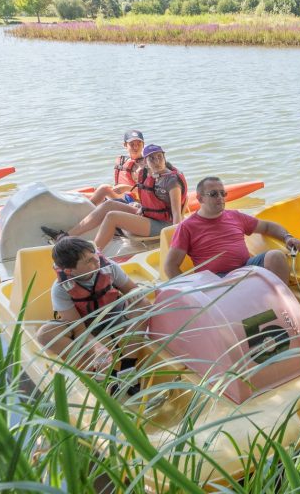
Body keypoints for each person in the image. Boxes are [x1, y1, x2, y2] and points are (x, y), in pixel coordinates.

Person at [36, 237, 149, 396]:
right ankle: (101, 375)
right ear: (69, 270)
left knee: (143, 304)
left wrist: (135, 294)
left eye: (94, 254)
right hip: (85, 325)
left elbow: (131, 289)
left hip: (113, 316)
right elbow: (80, 329)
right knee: (45, 334)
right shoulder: (60, 289)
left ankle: (128, 365)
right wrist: (96, 347)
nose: (97, 260)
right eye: (89, 261)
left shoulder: (109, 268)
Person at [42, 144, 187, 251]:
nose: (157, 162)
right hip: (148, 215)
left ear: (164, 157)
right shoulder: (147, 174)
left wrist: (175, 244)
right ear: (145, 162)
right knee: (109, 205)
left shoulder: (171, 181)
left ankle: (94, 255)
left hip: (164, 224)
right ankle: (64, 237)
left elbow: (176, 214)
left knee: (112, 216)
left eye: (159, 157)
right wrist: (136, 204)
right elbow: (148, 197)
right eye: (152, 159)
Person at [164, 176, 300, 283]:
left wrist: (287, 237)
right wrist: (192, 289)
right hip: (217, 280)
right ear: (200, 199)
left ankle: (283, 303)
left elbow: (267, 226)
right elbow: (170, 266)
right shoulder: (187, 226)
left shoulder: (235, 216)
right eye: (214, 194)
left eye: (222, 193)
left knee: (276, 256)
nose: (220, 198)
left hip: (246, 268)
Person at [88, 130, 146, 205]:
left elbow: (149, 191)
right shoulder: (123, 161)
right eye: (132, 144)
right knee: (95, 192)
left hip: (136, 201)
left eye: (139, 143)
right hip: (124, 196)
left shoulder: (146, 166)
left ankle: (87, 212)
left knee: (104, 188)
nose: (136, 147)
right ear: (125, 145)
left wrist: (126, 188)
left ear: (143, 144)